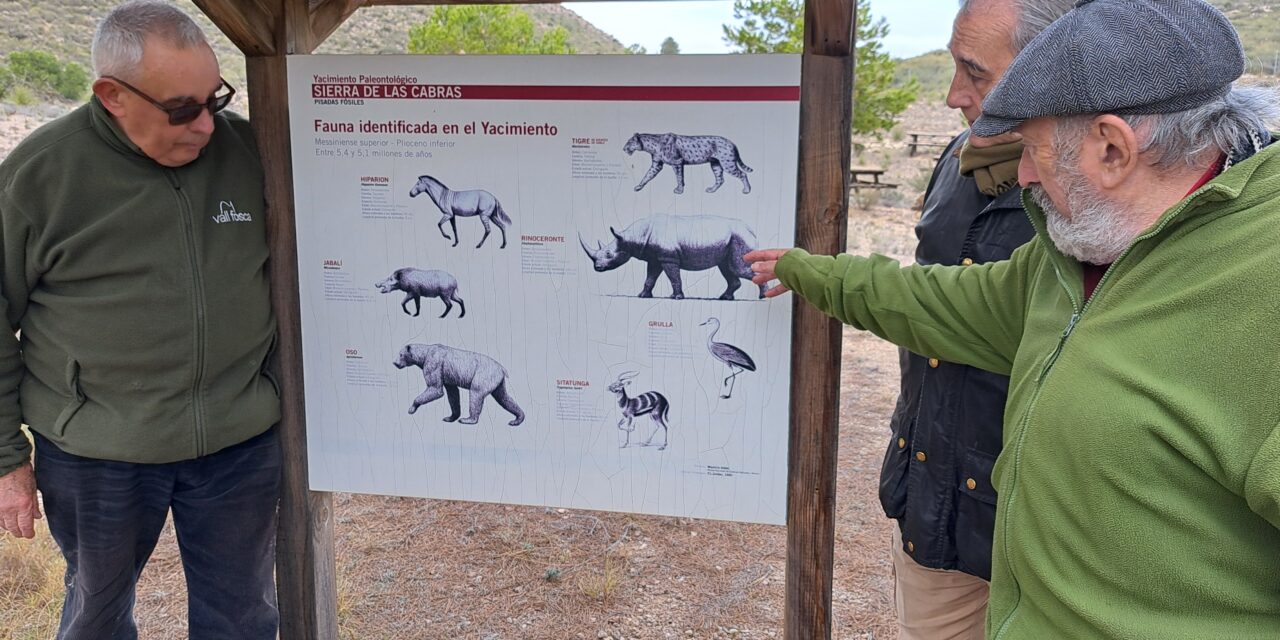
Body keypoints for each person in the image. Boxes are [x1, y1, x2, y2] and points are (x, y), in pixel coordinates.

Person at [748, 0, 1280, 637]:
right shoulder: (1072, 259)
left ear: (1114, 148)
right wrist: (810, 271)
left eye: (1032, 148)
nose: (1022, 174)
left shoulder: (1261, 282)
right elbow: (938, 303)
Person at [0, 1, 282, 637]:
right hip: (100, 451)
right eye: (182, 108)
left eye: (215, 98)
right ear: (112, 95)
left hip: (239, 443)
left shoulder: (246, 151)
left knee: (241, 617)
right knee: (97, 617)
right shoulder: (41, 176)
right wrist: (7, 459)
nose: (207, 125)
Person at [879, 1, 1072, 638]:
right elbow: (926, 299)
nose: (953, 94)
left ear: (1055, 67)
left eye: (975, 72)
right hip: (934, 516)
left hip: (1041, 541)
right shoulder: (962, 156)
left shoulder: (1111, 187)